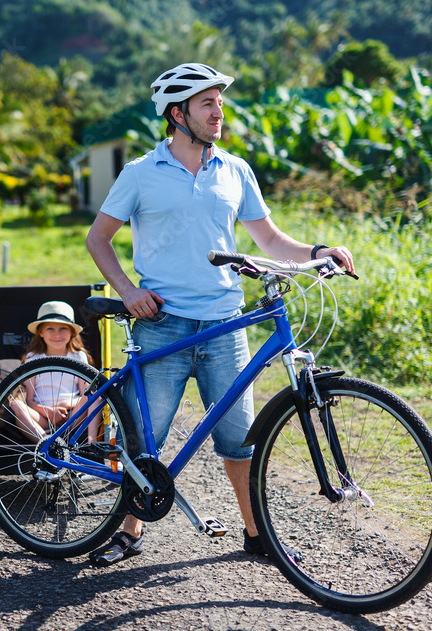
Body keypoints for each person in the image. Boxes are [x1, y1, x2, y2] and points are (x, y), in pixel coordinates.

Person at [84, 62, 356, 567]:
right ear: (177, 113)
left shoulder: (234, 170)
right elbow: (97, 238)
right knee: (146, 441)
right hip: (162, 323)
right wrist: (126, 291)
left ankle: (257, 536)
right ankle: (130, 530)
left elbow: (271, 241)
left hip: (226, 324)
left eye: (219, 103)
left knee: (239, 440)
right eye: (207, 103)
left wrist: (320, 249)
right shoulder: (140, 173)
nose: (219, 112)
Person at [9, 301, 99, 443]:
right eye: (50, 329)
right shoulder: (33, 358)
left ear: (72, 332)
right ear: (41, 332)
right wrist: (48, 411)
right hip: (42, 416)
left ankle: (92, 442)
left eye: (63, 328)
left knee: (96, 395)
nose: (57, 334)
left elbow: (85, 393)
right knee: (16, 404)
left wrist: (66, 403)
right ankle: (45, 443)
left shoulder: (78, 356)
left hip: (71, 415)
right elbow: (29, 401)